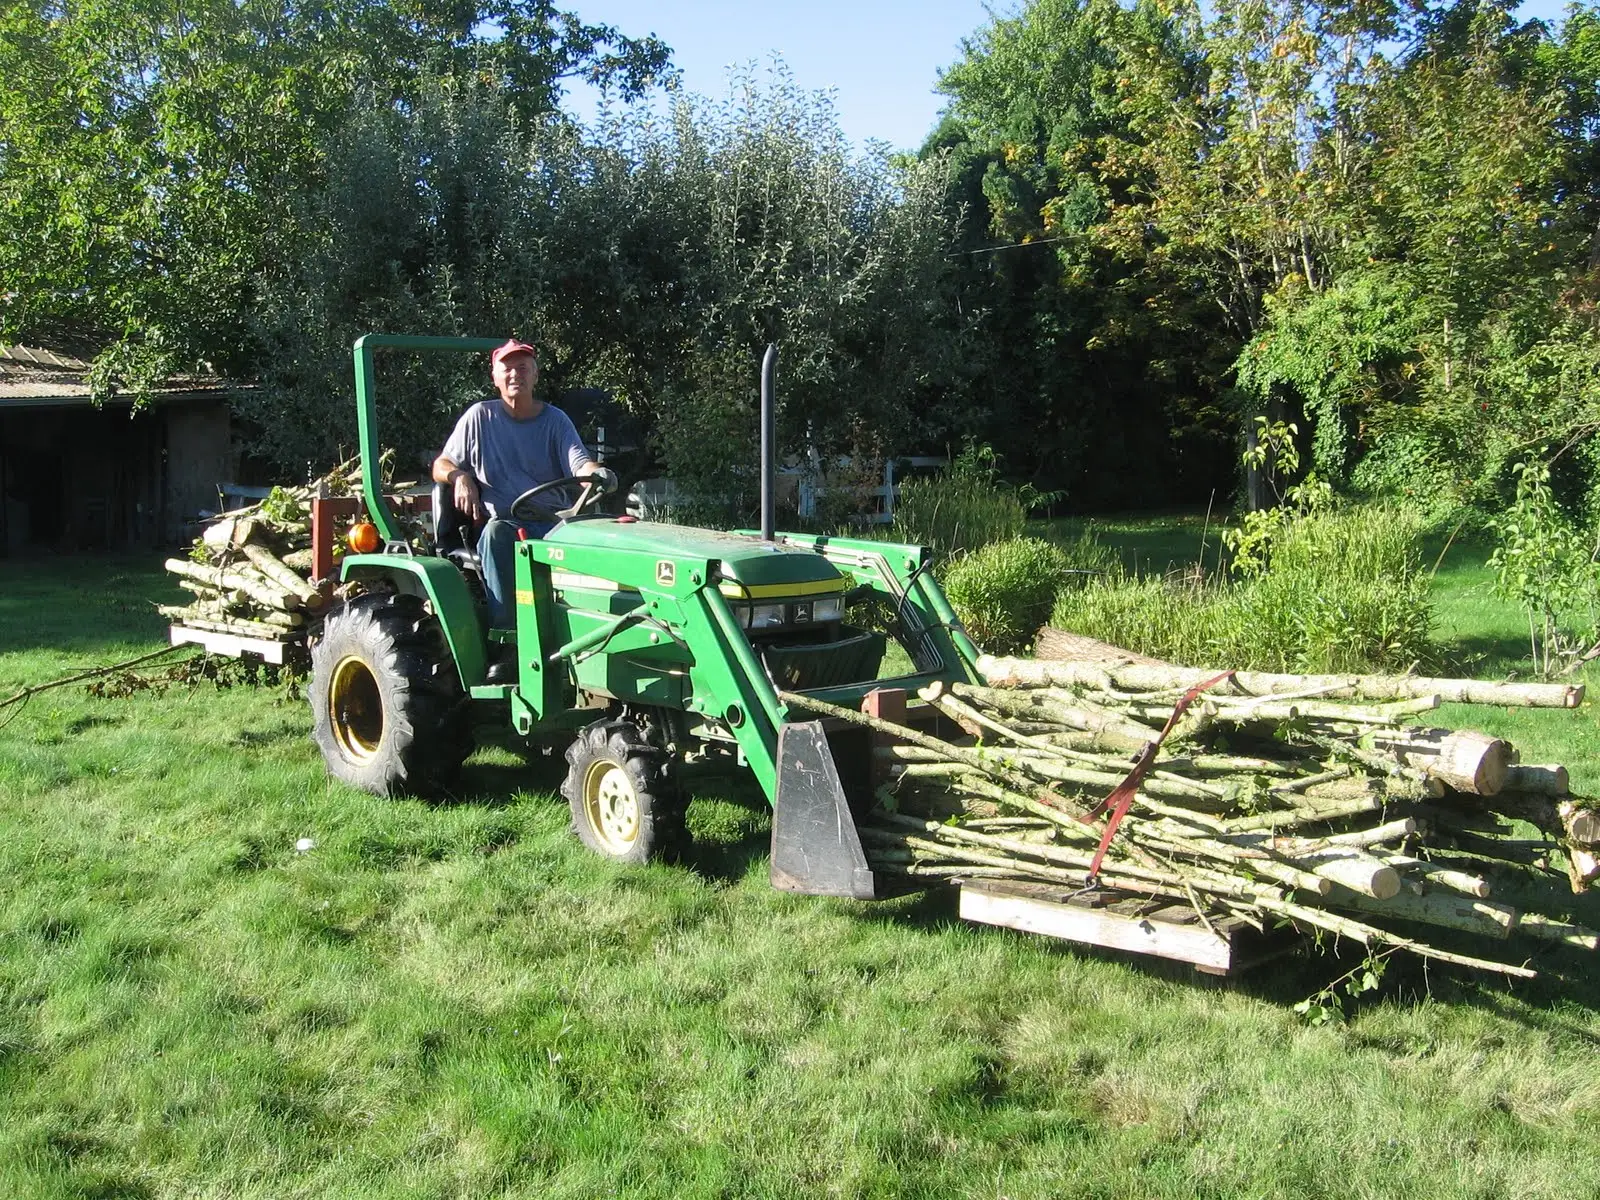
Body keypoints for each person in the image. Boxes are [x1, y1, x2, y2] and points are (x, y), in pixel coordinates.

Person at [432, 338, 614, 641]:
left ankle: (594, 634)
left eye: (523, 367)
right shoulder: (480, 417)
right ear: (495, 377)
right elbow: (442, 464)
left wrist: (599, 473)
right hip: (507, 527)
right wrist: (459, 477)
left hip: (555, 524)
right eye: (507, 368)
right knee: (495, 535)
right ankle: (507, 638)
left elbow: (580, 465)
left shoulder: (555, 421)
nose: (515, 374)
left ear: (535, 375)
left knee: (601, 541)